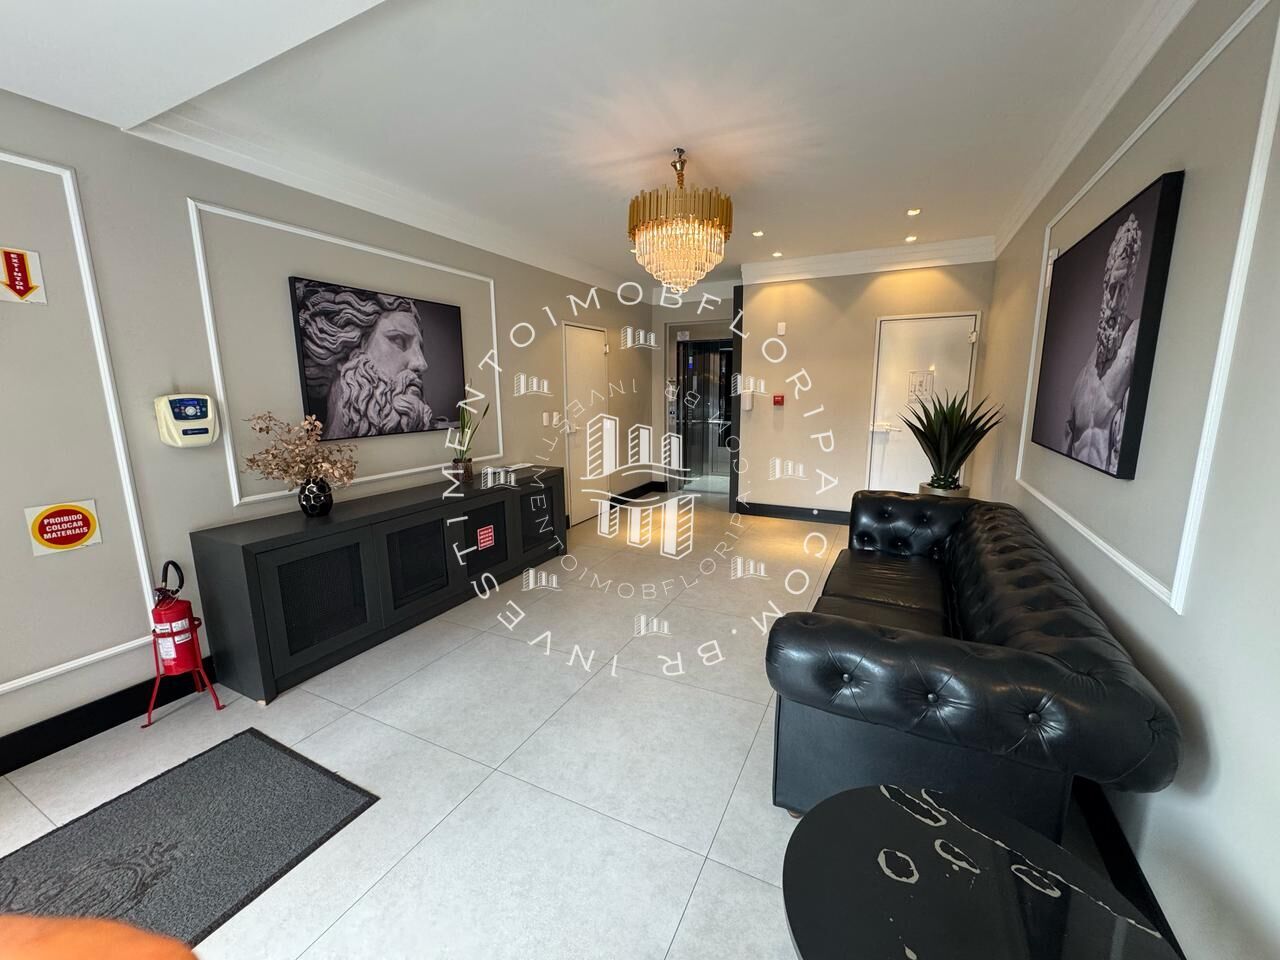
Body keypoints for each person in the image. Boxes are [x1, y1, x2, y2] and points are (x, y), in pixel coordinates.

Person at [294, 280, 432, 439]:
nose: (421, 364)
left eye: (420, 348)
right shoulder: (309, 452)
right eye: (398, 340)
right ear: (346, 351)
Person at [1063, 213, 1143, 473]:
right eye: (1112, 287)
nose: (1116, 295)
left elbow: (1124, 441)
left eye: (1122, 287)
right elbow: (1067, 438)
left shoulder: (1133, 344)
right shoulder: (1084, 376)